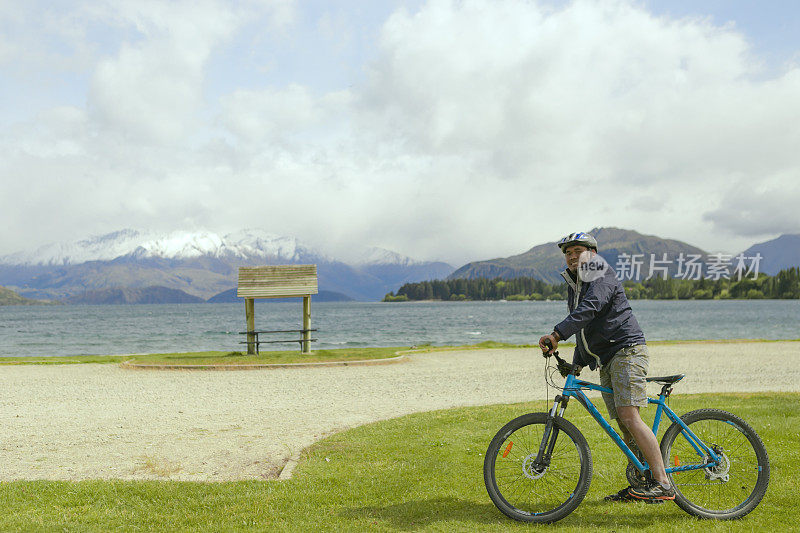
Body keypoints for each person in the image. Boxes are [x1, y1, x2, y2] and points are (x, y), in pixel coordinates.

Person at [538, 232, 675, 502]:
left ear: (592, 252)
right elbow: (585, 329)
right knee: (624, 424)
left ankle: (662, 482)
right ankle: (644, 481)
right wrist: (575, 364)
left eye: (578, 250)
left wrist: (556, 334)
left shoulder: (598, 272)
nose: (572, 256)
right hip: (608, 357)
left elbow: (592, 307)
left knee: (629, 416)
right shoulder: (577, 283)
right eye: (568, 252)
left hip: (626, 350)